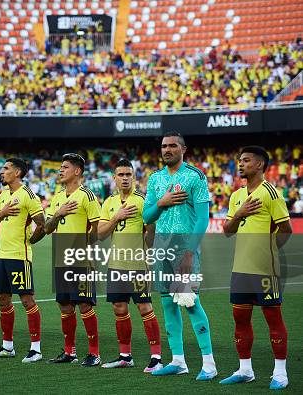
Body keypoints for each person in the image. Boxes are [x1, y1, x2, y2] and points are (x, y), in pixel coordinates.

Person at [143, 132, 217, 380]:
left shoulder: (195, 176)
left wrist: (189, 252)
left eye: (172, 145)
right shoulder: (155, 179)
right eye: (164, 146)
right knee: (167, 304)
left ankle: (209, 363)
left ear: (183, 149)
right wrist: (162, 202)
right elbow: (147, 217)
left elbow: (203, 219)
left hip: (183, 251)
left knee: (190, 302)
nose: (167, 149)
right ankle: (178, 361)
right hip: (161, 249)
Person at [220, 146, 292, 390]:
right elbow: (227, 231)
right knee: (240, 319)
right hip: (240, 269)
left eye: (246, 160)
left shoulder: (271, 193)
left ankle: (280, 373)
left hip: (265, 270)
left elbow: (286, 230)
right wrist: (239, 214)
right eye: (240, 160)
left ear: (260, 165)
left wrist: (269, 250)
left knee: (273, 318)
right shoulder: (236, 196)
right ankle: (245, 369)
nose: (240, 164)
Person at [98, 159, 162, 372]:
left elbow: (151, 239)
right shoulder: (109, 203)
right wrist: (116, 217)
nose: (125, 178)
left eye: (128, 174)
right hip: (116, 265)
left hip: (138, 265)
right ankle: (125, 356)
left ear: (134, 177)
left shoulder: (143, 201)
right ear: (114, 178)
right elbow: (100, 234)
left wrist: (151, 226)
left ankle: (156, 357)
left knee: (145, 307)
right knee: (119, 308)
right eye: (121, 175)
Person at [0, 158, 46, 363]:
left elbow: (41, 224)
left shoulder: (28, 195)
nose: (2, 172)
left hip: (19, 257)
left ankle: (36, 349)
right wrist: (2, 213)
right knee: (3, 299)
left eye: (6, 168)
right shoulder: (2, 195)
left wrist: (29, 242)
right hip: (2, 255)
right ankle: (7, 346)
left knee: (27, 300)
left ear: (17, 172)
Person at [44, 153, 101, 367]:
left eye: (65, 167)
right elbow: (48, 228)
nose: (60, 170)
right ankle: (70, 352)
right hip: (61, 259)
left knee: (85, 305)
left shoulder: (87, 196)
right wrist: (58, 213)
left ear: (77, 171)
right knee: (65, 306)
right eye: (60, 167)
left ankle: (94, 354)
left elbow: (98, 229)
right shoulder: (58, 197)